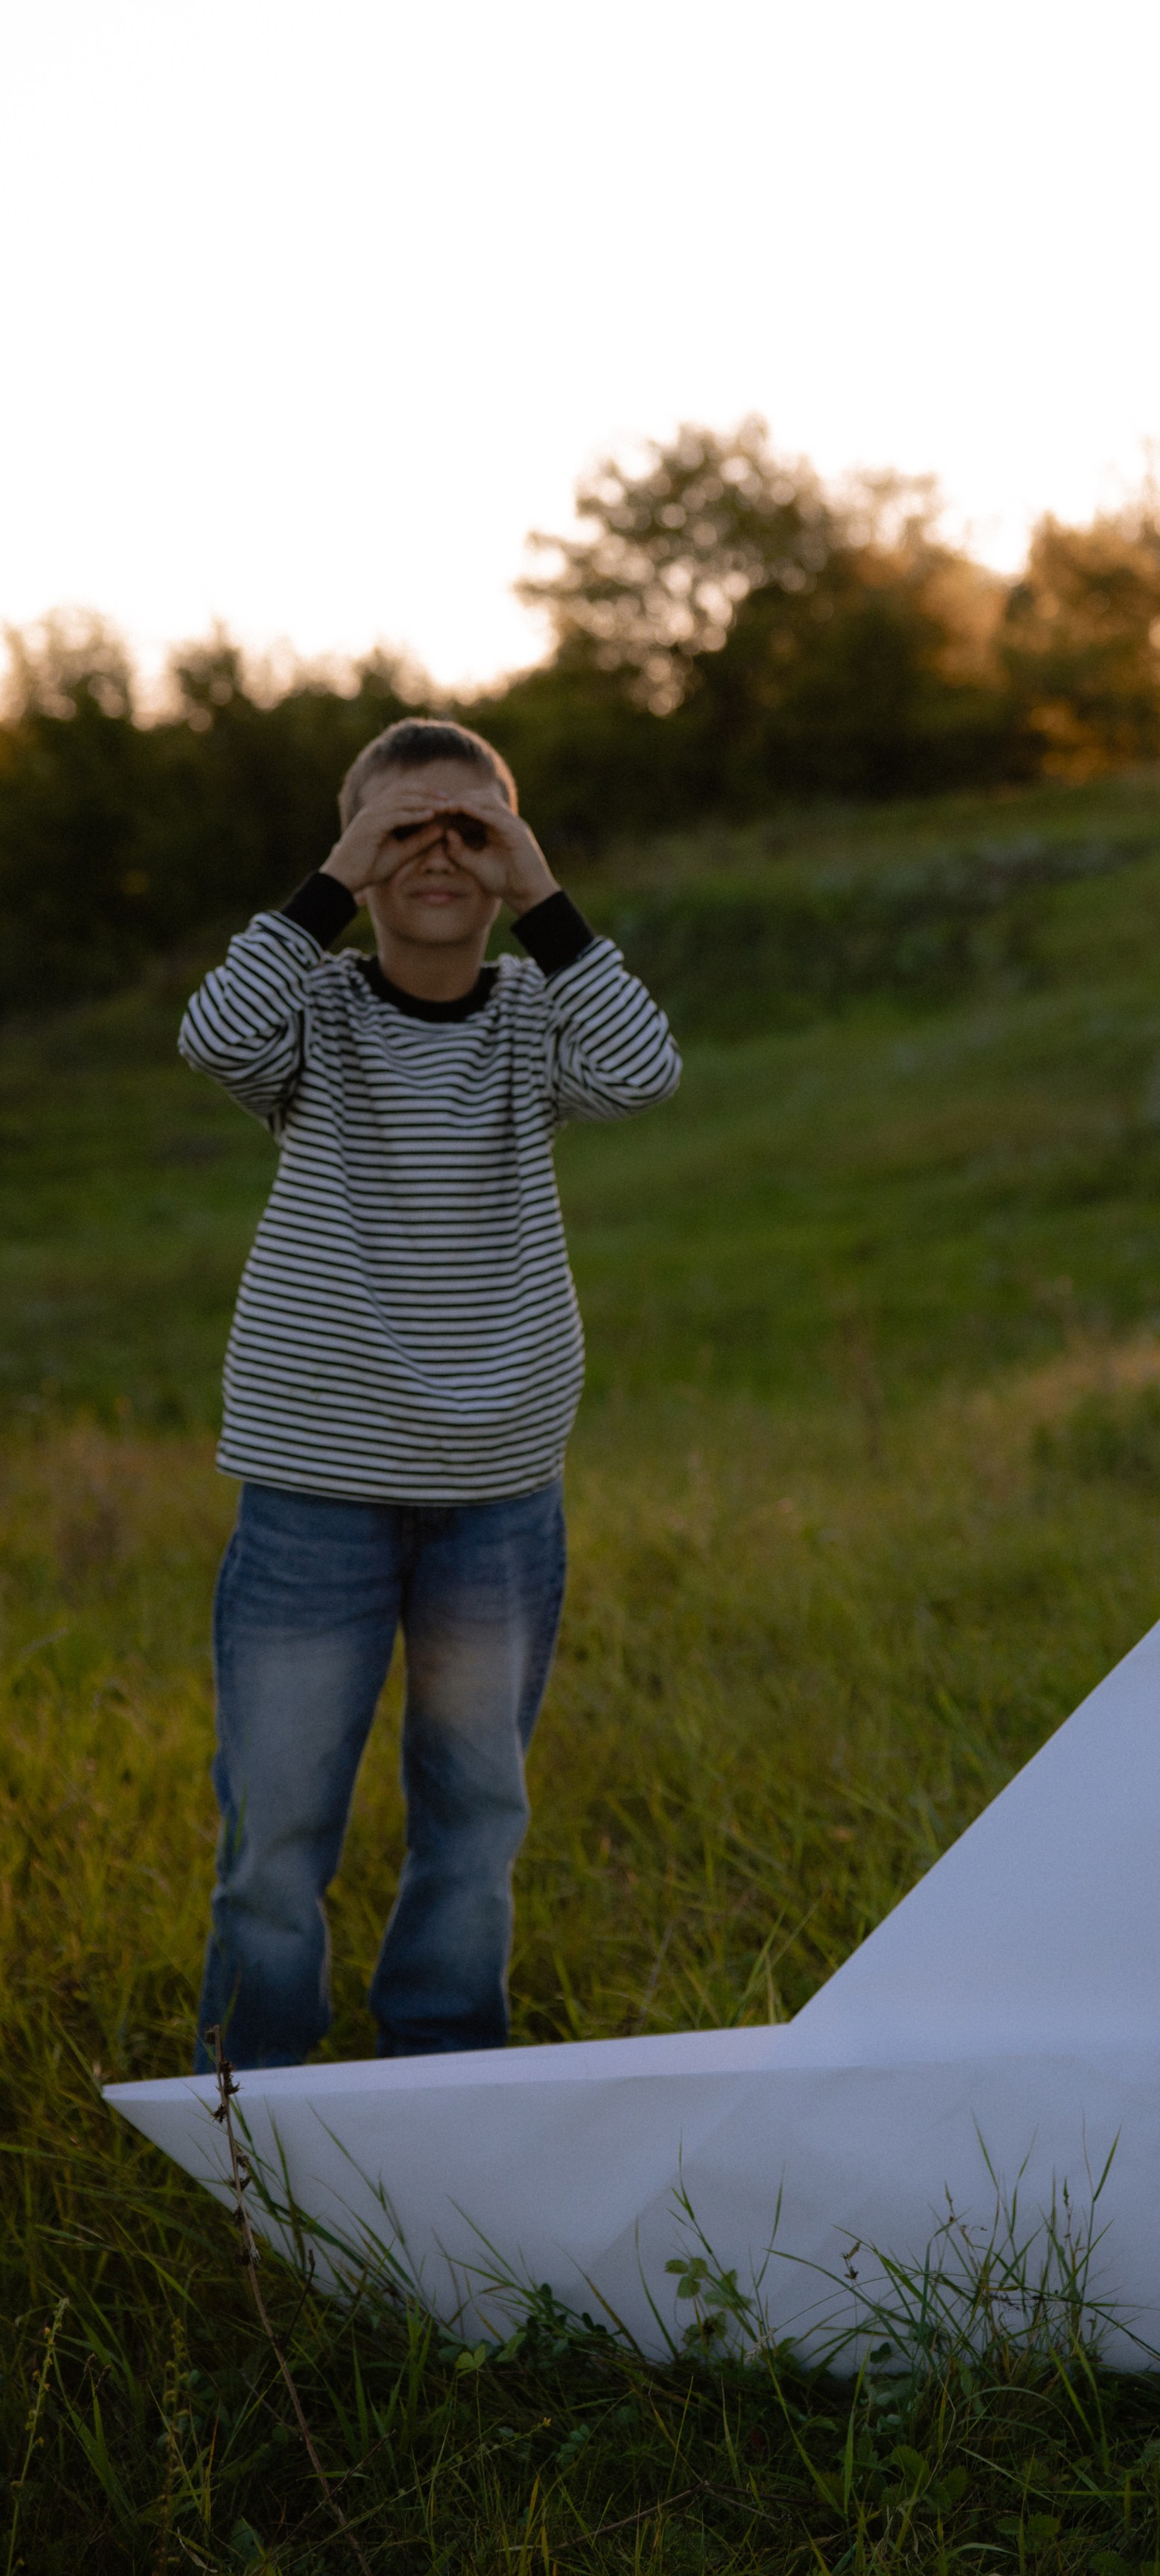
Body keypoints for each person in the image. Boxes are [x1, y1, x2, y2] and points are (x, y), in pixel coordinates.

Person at [180, 716, 681, 2070]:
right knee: (278, 1825)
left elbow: (643, 1069)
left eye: (470, 827)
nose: (438, 853)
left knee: (476, 1812)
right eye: (407, 831)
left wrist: (544, 892)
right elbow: (215, 1038)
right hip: (312, 1490)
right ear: (358, 856)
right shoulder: (319, 1019)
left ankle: (446, 2081)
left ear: (511, 846)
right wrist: (336, 875)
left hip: (498, 1491)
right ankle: (253, 2104)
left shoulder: (533, 1018)